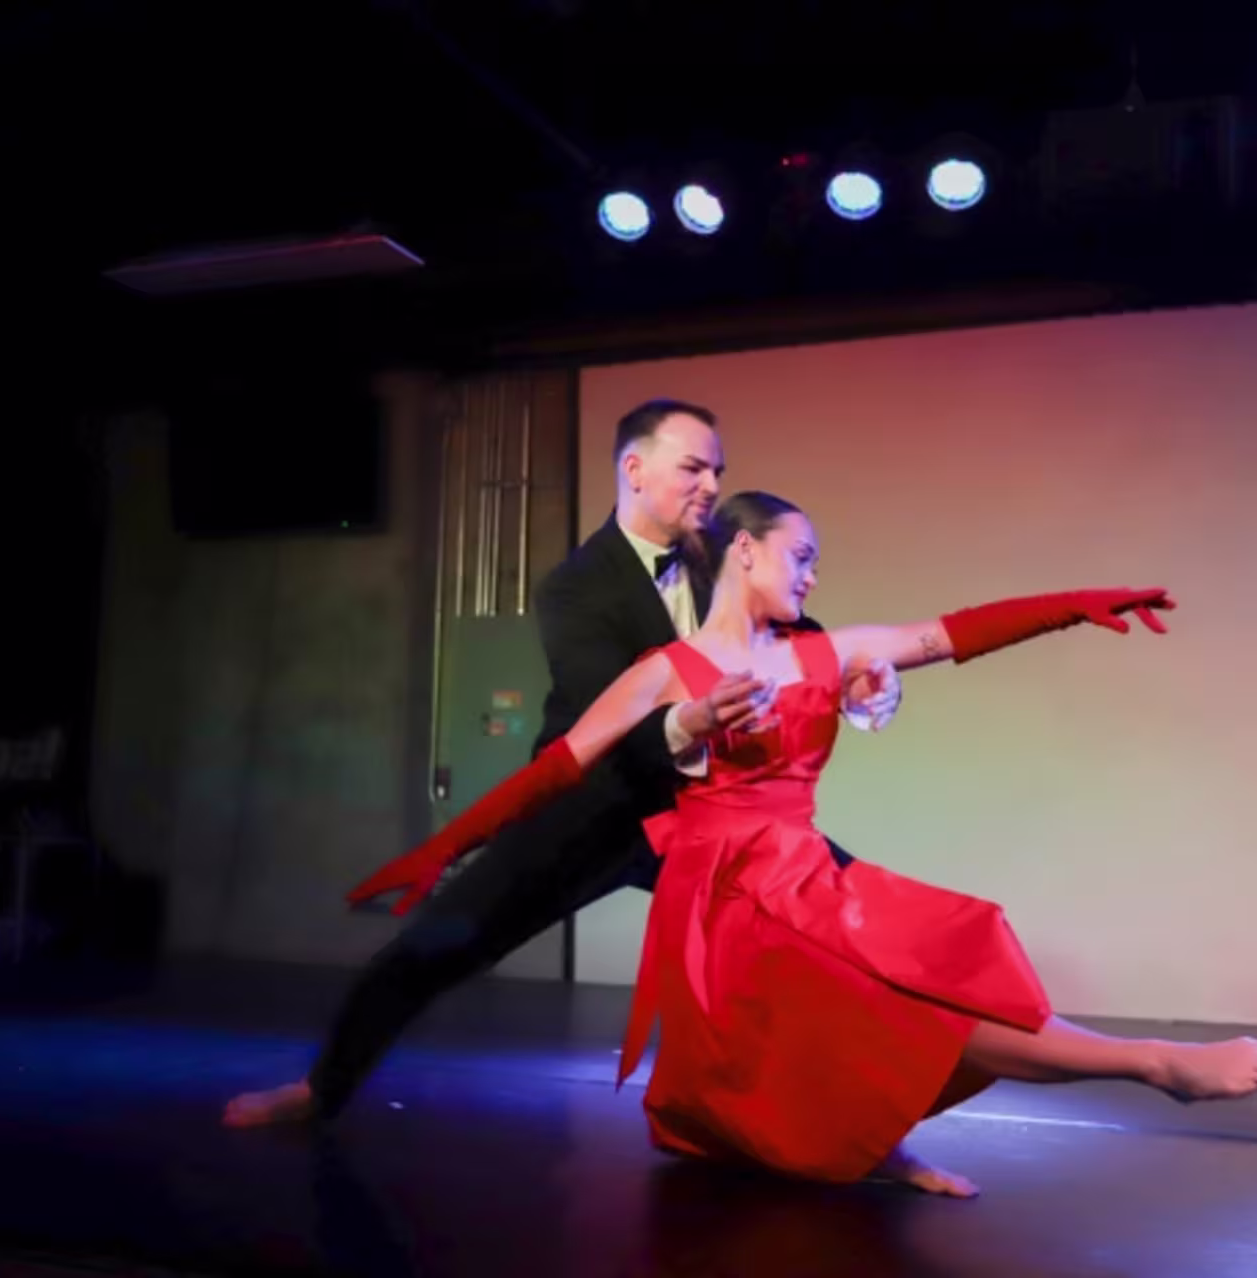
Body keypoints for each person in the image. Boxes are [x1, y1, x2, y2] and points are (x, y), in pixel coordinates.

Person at [345, 490, 1257, 1196]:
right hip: (728, 892)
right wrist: (444, 850)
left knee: (937, 969)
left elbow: (945, 636)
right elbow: (557, 771)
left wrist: (1078, 604)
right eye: (800, 556)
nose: (810, 576)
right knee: (900, 1003)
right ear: (744, 550)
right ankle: (1154, 1064)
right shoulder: (664, 671)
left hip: (801, 870)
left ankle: (886, 1140)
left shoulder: (819, 653)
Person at [224, 400, 902, 1128]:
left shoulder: (729, 556)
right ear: (634, 470)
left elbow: (804, 645)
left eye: (717, 471)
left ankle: (874, 1123)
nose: (711, 485)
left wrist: (856, 685)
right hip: (595, 805)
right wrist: (690, 720)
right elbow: (607, 724)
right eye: (693, 468)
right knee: (443, 940)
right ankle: (321, 1090)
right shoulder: (578, 586)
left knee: (853, 918)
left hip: (709, 813)